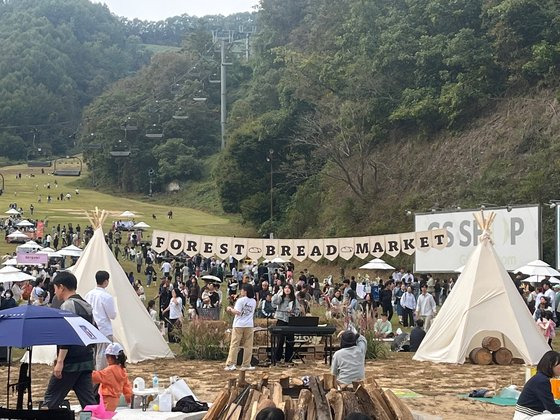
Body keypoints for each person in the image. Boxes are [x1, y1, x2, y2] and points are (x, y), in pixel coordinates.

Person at [43, 271, 97, 409]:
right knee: (89, 402)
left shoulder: (68, 306)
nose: (55, 292)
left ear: (62, 287)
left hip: (71, 362)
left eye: (55, 288)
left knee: (51, 399)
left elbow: (67, 335)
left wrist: (60, 361)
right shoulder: (87, 305)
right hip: (86, 359)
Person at [85, 270, 117, 370]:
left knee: (95, 354)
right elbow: (112, 315)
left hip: (91, 328)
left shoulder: (88, 295)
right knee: (103, 356)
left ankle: (95, 376)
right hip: (104, 329)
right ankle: (100, 379)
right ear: (106, 281)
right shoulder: (106, 297)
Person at [514, 350, 560, 419]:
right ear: (551, 365)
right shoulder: (542, 381)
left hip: (531, 414)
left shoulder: (540, 378)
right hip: (526, 417)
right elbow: (552, 408)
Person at [92, 343, 132, 411]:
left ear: (110, 358)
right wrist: (128, 398)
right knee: (108, 415)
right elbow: (127, 386)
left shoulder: (109, 370)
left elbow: (97, 376)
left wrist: (88, 372)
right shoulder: (122, 370)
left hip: (106, 399)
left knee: (102, 416)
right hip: (115, 400)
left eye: (107, 356)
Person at [225, 284, 257, 371]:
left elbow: (237, 312)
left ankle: (231, 363)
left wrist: (230, 309)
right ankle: (246, 364)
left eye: (242, 290)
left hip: (239, 324)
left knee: (235, 344)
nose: (241, 291)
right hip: (249, 324)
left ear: (245, 291)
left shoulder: (240, 300)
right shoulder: (254, 301)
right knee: (248, 345)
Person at [272, 284, 300, 363]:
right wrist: (278, 293)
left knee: (290, 340)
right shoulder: (281, 298)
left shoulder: (294, 299)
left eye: (289, 288)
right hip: (281, 320)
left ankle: (289, 358)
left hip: (290, 321)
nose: (287, 289)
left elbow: (298, 310)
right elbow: (274, 302)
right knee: (280, 340)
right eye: (285, 288)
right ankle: (277, 358)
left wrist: (293, 312)